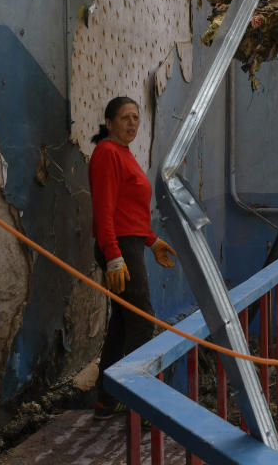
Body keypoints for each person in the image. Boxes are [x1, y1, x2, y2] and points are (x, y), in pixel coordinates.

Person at [88, 96, 177, 419]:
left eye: (136, 118)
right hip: (119, 248)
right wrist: (113, 257)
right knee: (142, 321)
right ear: (109, 123)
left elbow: (129, 211)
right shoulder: (107, 154)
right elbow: (104, 210)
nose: (132, 124)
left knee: (123, 324)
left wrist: (152, 242)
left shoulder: (122, 154)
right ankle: (143, 402)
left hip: (129, 244)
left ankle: (107, 400)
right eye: (125, 118)